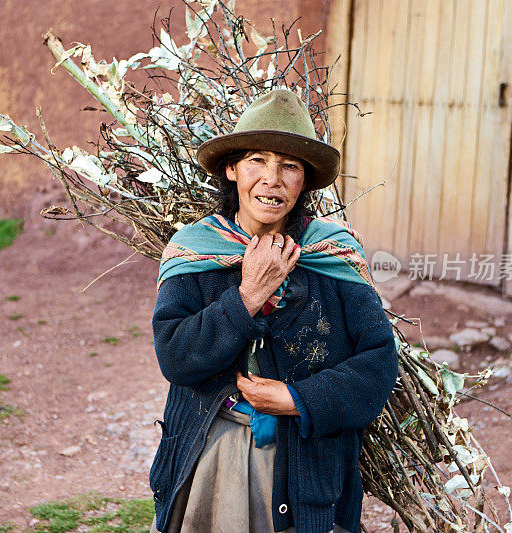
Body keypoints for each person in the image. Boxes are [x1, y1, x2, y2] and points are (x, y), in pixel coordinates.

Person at [148, 88, 399, 533]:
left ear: (304, 182)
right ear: (231, 170)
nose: (272, 179)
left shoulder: (332, 253)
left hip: (307, 462)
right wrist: (246, 296)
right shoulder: (195, 251)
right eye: (256, 161)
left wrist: (298, 399)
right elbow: (175, 356)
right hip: (213, 457)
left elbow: (379, 363)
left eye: (290, 166)